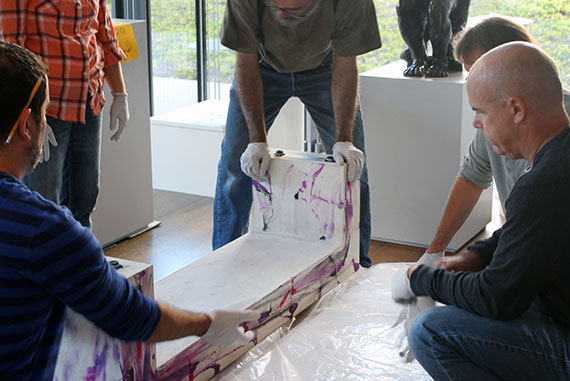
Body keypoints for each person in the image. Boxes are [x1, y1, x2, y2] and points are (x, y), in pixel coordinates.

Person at [0, 42, 256, 380]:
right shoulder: (44, 231)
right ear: (27, 126)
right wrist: (206, 325)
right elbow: (130, 316)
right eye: (45, 113)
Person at [392, 41, 570, 379]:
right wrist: (477, 255)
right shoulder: (559, 158)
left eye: (480, 111)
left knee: (431, 330)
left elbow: (496, 299)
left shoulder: (545, 184)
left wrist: (422, 279)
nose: (476, 123)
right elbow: (532, 228)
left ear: (516, 109)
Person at [214, 0, 381, 268]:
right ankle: (222, 258)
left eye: (292, 9)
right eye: (273, 6)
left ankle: (356, 265)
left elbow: (346, 64)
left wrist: (343, 140)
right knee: (235, 167)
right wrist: (257, 141)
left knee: (352, 169)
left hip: (325, 68)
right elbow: (244, 63)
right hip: (260, 65)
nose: (279, 14)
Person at [421, 15, 570, 265]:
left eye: (482, 71)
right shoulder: (492, 121)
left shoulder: (557, 125)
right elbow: (471, 176)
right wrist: (435, 252)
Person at [0, 0, 131, 228]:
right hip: (47, 111)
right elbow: (13, 53)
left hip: (89, 101)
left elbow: (106, 35)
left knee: (86, 196)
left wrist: (120, 94)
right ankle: (48, 260)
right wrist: (32, 113)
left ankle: (80, 256)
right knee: (43, 201)